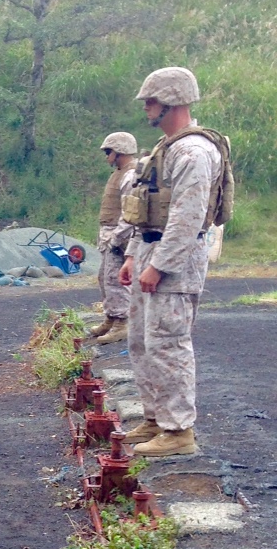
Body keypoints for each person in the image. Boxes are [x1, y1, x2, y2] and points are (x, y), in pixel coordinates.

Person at [119, 68, 233, 457]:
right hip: (152, 249)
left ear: (171, 101)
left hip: (176, 260)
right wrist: (135, 255)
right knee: (140, 341)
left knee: (168, 343)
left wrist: (159, 266)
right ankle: (155, 417)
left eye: (151, 101)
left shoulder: (194, 152)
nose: (147, 108)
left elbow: (187, 218)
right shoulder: (166, 148)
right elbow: (145, 206)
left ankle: (178, 429)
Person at [89, 133, 138, 344]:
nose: (107, 156)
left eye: (108, 152)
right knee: (105, 278)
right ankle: (111, 318)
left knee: (115, 280)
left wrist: (117, 238)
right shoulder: (119, 173)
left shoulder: (130, 176)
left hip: (119, 236)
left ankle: (121, 323)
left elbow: (130, 214)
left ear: (119, 151)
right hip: (110, 234)